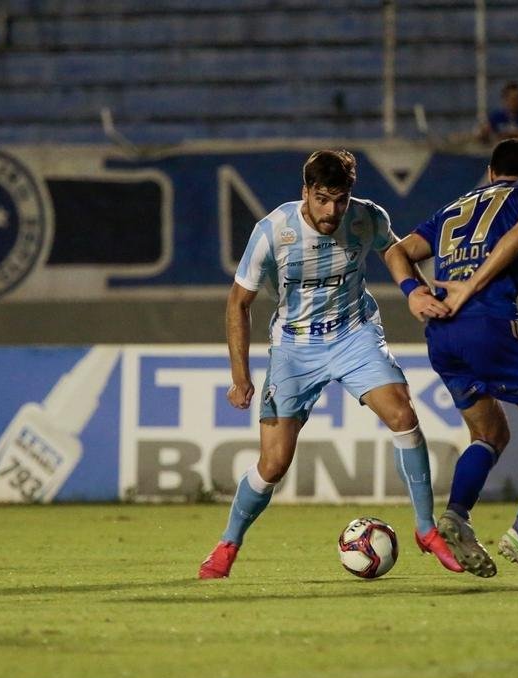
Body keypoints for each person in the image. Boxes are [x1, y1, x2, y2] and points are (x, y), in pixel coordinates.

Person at [198, 149, 462, 580]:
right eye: (322, 199)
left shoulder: (367, 218)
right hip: (294, 349)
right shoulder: (273, 232)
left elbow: (395, 252)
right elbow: (238, 302)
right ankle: (228, 543)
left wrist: (415, 289)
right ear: (305, 192)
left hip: (354, 335)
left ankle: (426, 529)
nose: (332, 210)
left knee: (403, 414)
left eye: (340, 199)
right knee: (274, 464)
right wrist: (240, 377)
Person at [384, 138, 518, 588]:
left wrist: (413, 292)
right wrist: (472, 285)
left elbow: (395, 250)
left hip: (442, 334)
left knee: (490, 433)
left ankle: (455, 516)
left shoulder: (457, 207)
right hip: (487, 323)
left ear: (491, 174)